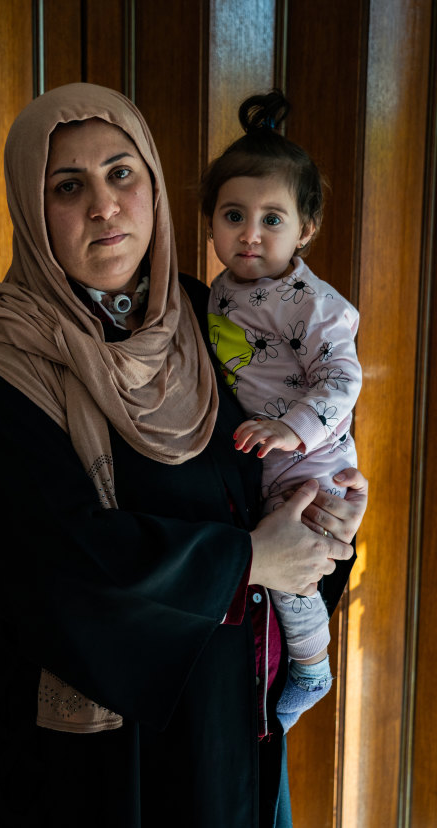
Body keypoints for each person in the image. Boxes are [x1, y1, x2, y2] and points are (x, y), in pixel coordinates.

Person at [0, 82, 367, 827]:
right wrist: (247, 562)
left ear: (156, 190)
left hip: (226, 723)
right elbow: (41, 560)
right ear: (32, 211)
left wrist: (322, 526)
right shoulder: (0, 357)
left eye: (122, 173)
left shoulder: (213, 317)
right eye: (68, 185)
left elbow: (272, 476)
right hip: (93, 763)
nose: (104, 206)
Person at [203, 89, 362, 733]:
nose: (250, 233)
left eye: (273, 218)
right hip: (262, 466)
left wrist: (290, 429)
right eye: (232, 215)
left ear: (306, 229)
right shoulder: (215, 292)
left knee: (297, 569)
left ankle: (311, 664)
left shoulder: (313, 305)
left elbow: (342, 377)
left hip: (310, 464)